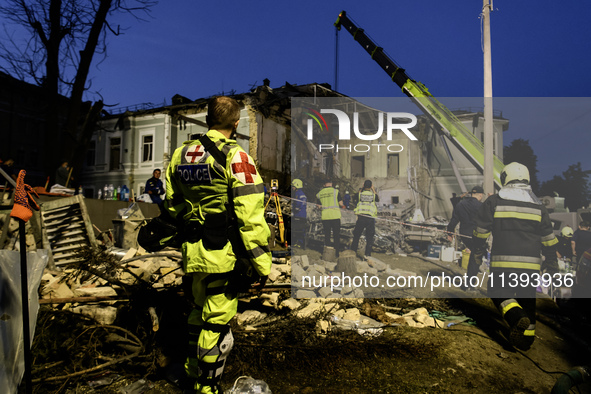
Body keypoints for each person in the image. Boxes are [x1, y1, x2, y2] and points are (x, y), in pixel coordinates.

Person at [165, 96, 272, 394]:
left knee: (198, 313)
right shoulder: (235, 156)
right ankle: (206, 387)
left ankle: (189, 370)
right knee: (216, 323)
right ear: (236, 123)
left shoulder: (180, 154)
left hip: (193, 252)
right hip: (223, 255)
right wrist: (261, 263)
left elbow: (172, 205)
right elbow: (249, 214)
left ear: (209, 118)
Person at [473, 162, 558, 351]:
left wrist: (476, 257)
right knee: (527, 299)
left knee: (498, 292)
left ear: (505, 178)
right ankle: (526, 340)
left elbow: (480, 233)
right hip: (531, 266)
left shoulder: (494, 201)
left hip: (504, 263)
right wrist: (552, 264)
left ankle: (516, 318)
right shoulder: (539, 208)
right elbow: (549, 241)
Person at [446, 185, 484, 282]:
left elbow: (454, 220)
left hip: (464, 234)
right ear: (480, 195)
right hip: (477, 235)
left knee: (473, 253)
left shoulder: (461, 204)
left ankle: (470, 278)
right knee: (476, 256)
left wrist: (449, 233)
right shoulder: (481, 206)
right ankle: (470, 283)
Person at [350, 180, 379, 258]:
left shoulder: (360, 195)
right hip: (370, 218)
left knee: (356, 235)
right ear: (371, 186)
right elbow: (377, 199)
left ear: (363, 186)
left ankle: (353, 251)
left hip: (361, 217)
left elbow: (355, 196)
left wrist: (361, 189)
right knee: (369, 237)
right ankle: (368, 254)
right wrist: (373, 190)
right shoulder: (373, 196)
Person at [316, 179, 345, 257]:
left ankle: (327, 254)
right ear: (331, 184)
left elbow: (318, 207)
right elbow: (341, 203)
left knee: (327, 235)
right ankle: (336, 253)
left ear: (324, 184)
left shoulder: (320, 193)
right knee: (336, 235)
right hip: (335, 216)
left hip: (325, 217)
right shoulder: (336, 191)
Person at [291, 178, 307, 248]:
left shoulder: (299, 193)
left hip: (300, 214)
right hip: (299, 214)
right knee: (297, 228)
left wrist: (296, 208)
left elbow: (301, 202)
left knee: (300, 229)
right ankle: (297, 242)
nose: (292, 187)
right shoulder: (297, 193)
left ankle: (300, 243)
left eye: (293, 186)